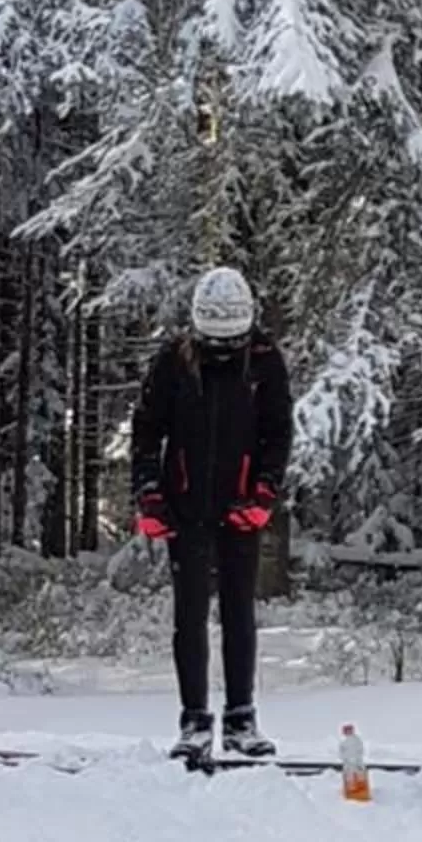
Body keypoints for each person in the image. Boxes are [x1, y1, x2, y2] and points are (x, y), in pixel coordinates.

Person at [130, 268, 293, 766]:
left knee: (240, 610)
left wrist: (266, 490)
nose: (222, 349)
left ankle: (242, 716)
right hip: (186, 506)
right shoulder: (172, 360)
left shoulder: (265, 359)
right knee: (190, 614)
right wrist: (149, 494)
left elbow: (278, 431)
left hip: (241, 508)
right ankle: (194, 718)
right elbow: (145, 431)